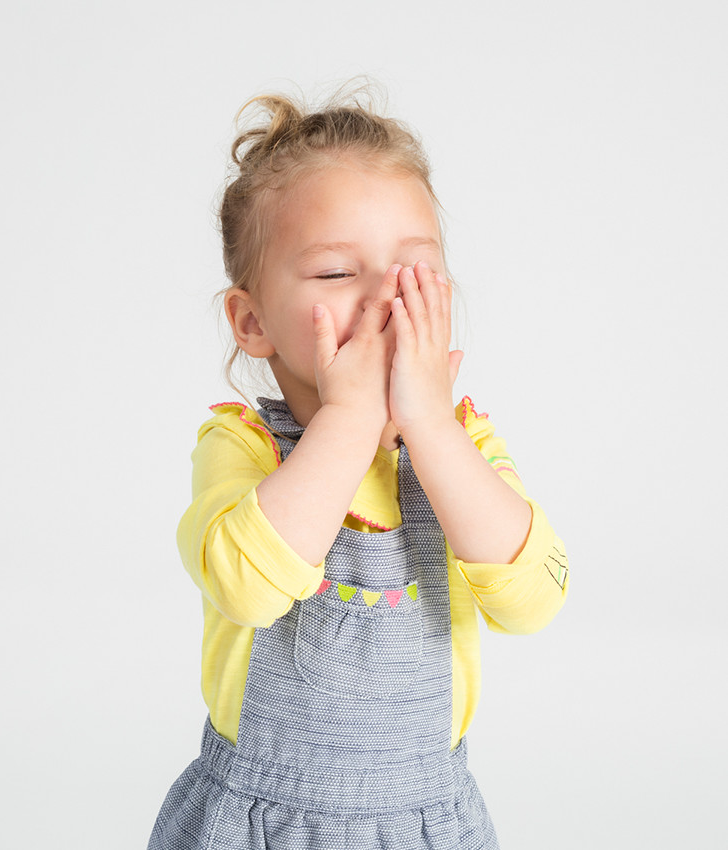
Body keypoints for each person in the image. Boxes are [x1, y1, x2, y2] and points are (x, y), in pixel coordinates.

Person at [148, 85, 569, 850]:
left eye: (413, 274)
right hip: (259, 821)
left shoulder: (461, 443)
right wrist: (347, 420)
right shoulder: (242, 445)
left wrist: (430, 428)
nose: (384, 300)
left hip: (423, 821)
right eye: (338, 274)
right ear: (252, 321)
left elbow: (533, 600)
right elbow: (244, 587)